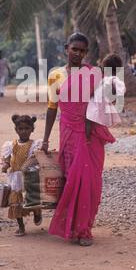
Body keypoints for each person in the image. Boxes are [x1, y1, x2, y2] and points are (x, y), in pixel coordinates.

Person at [41, 32, 115, 246]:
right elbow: (51, 107)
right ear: (66, 48)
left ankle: (84, 230)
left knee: (89, 181)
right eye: (75, 49)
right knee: (71, 179)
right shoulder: (56, 75)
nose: (78, 53)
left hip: (89, 133)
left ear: (86, 52)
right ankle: (71, 227)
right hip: (68, 132)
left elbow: (102, 103)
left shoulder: (93, 74)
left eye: (82, 50)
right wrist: (45, 139)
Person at [0, 114, 43, 236]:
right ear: (16, 130)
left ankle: (37, 212)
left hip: (29, 178)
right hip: (15, 179)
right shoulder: (10, 145)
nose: (24, 131)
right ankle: (21, 226)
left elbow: (36, 159)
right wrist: (5, 165)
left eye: (27, 128)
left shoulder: (35, 145)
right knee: (15, 201)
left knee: (32, 199)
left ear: (32, 129)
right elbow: (7, 158)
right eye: (21, 129)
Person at [85, 53, 126, 140]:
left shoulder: (113, 79)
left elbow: (120, 90)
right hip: (98, 101)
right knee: (92, 117)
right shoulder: (105, 77)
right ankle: (90, 135)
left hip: (99, 102)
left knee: (89, 117)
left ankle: (87, 136)